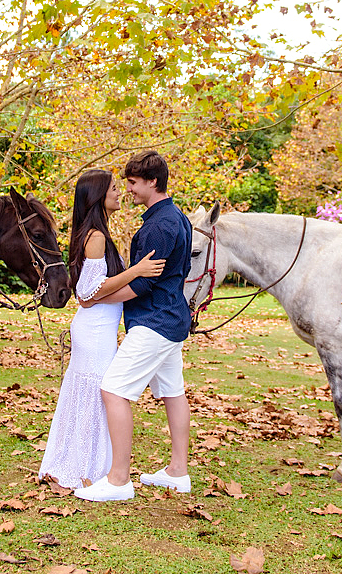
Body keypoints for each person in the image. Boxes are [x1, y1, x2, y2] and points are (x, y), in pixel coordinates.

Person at [73, 151, 193, 502]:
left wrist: (95, 297)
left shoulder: (158, 225)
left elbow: (143, 284)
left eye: (132, 183)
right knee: (173, 391)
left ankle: (118, 479)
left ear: (151, 182)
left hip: (154, 322)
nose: (128, 190)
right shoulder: (177, 218)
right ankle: (177, 472)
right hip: (172, 319)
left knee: (113, 390)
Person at [38, 169, 165, 489]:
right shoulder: (95, 237)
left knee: (93, 396)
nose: (120, 192)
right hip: (94, 333)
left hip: (101, 329)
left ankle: (90, 464)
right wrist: (137, 271)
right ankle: (85, 468)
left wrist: (136, 285)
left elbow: (96, 294)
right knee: (96, 396)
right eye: (112, 188)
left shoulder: (98, 233)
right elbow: (88, 293)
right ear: (97, 197)